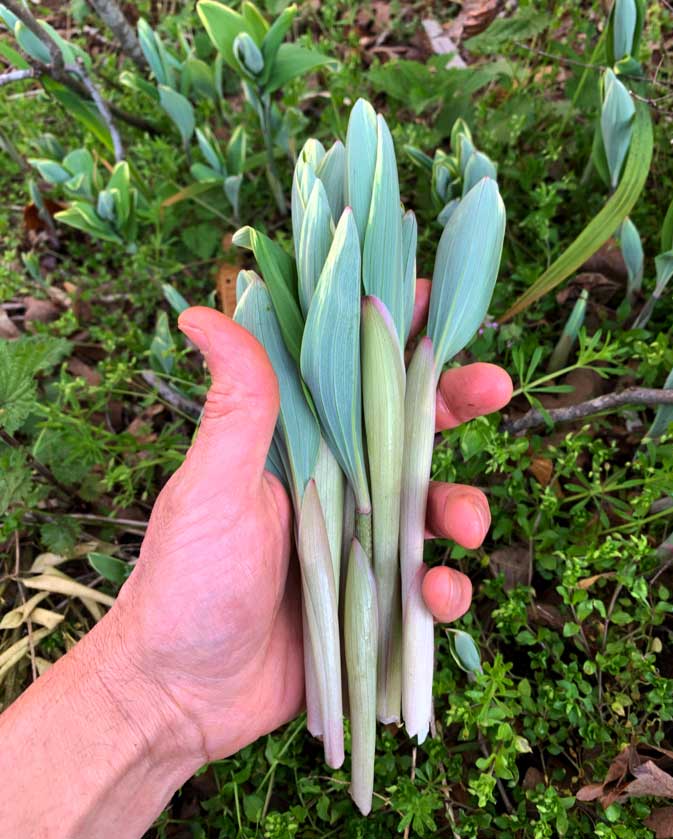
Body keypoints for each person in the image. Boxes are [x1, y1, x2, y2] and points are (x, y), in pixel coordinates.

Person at [0, 301, 512, 838]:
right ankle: (371, 723)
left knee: (401, 507)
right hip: (310, 614)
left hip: (335, 608)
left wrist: (147, 696)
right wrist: (151, 686)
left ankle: (369, 723)